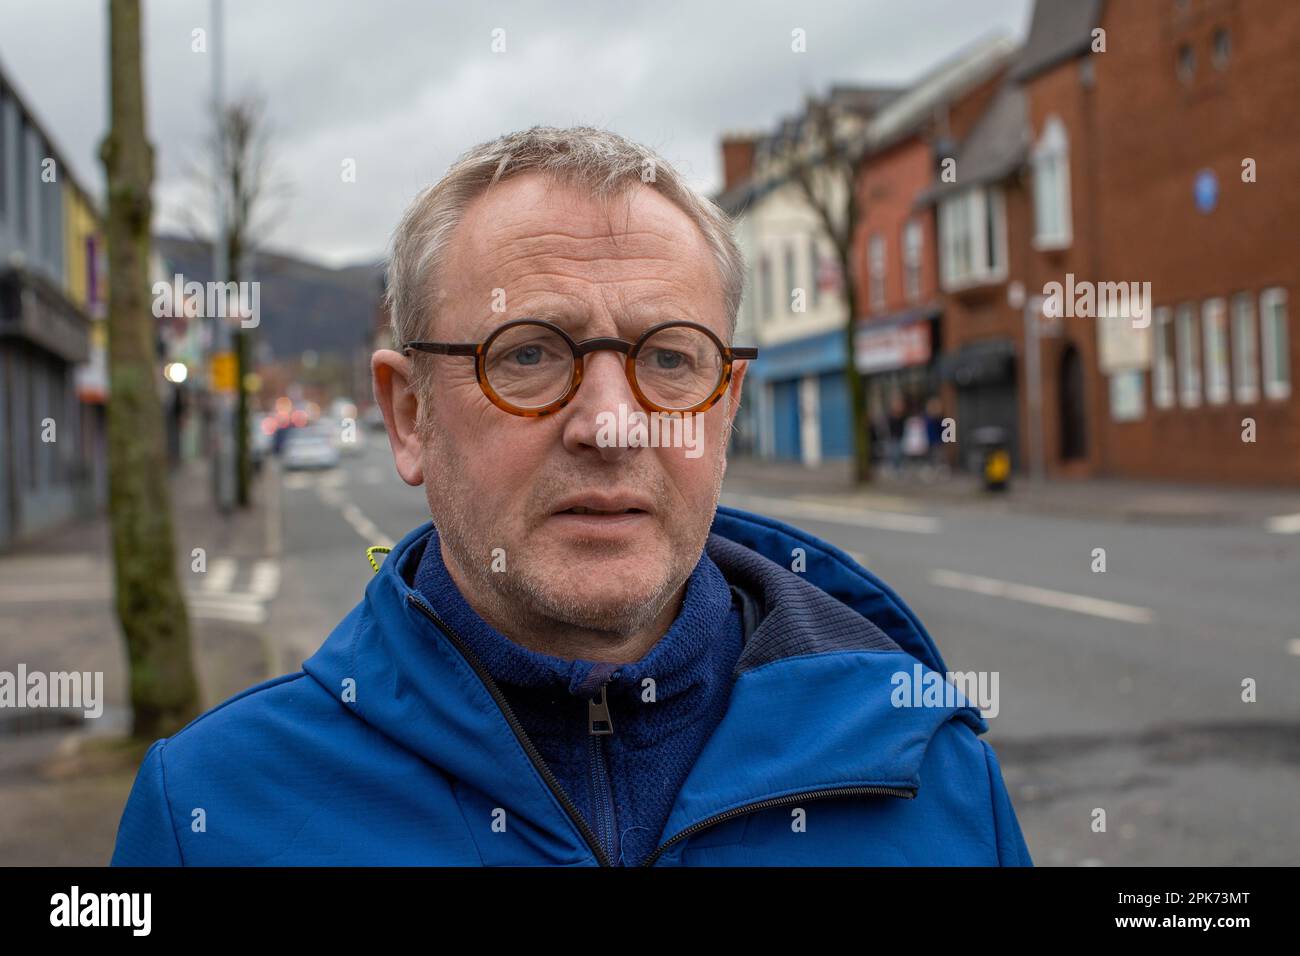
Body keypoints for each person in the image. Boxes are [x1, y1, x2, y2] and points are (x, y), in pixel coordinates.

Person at [110, 126, 1031, 867]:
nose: (612, 424)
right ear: (407, 415)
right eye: (529, 354)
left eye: (670, 360)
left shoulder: (937, 779)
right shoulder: (213, 815)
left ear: (725, 409)